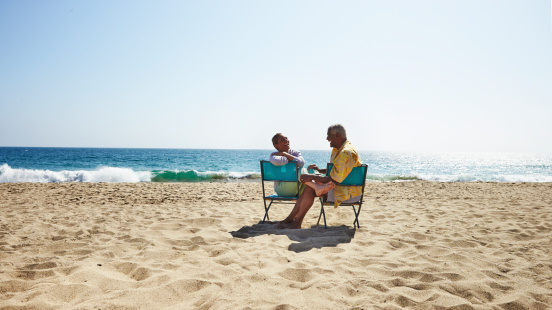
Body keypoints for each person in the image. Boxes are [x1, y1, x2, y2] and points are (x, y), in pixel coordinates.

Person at [277, 124, 362, 229]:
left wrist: (311, 177)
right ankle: (291, 221)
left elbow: (335, 179)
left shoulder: (346, 152)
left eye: (329, 135)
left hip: (347, 193)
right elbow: (339, 171)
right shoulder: (340, 149)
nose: (327, 138)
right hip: (344, 187)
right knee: (311, 186)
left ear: (338, 136)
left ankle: (296, 222)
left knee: (310, 188)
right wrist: (319, 171)